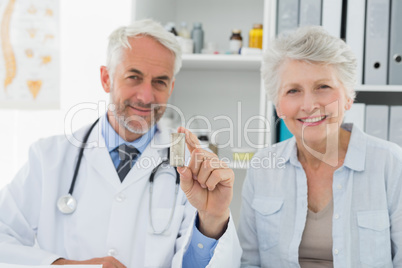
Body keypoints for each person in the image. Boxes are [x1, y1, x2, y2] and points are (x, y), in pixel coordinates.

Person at [0, 19, 241, 267]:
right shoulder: (48, 157)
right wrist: (66, 266)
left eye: (160, 81)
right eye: (134, 77)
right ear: (106, 78)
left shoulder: (189, 165)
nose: (146, 96)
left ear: (171, 87)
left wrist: (213, 220)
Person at [238, 26, 402, 267]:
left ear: (348, 97)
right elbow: (248, 262)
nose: (309, 104)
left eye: (323, 87)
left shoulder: (391, 163)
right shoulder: (263, 168)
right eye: (293, 90)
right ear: (279, 106)